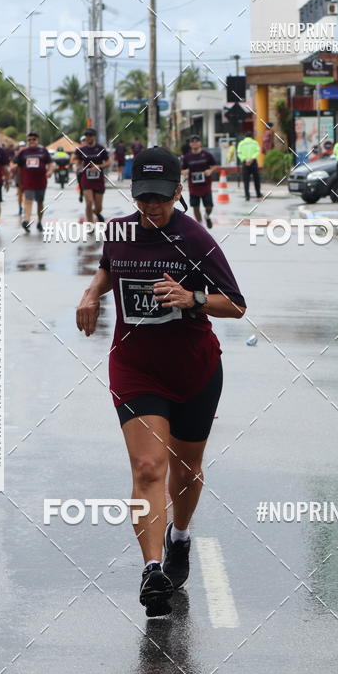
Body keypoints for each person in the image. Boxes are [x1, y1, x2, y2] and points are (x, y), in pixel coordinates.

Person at [75, 147, 246, 617]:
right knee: (149, 467)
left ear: (177, 192)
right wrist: (91, 292)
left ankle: (180, 538)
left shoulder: (194, 238)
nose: (152, 207)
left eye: (161, 198)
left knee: (185, 471)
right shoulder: (120, 230)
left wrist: (190, 297)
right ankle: (152, 570)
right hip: (135, 367)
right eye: (144, 197)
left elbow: (235, 304)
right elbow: (111, 267)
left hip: (193, 368)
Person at [16, 132, 52, 232]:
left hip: (41, 181)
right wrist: (19, 182)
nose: (31, 141)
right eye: (29, 140)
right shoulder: (23, 153)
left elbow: (50, 163)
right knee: (28, 201)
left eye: (34, 139)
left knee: (40, 202)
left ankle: (39, 221)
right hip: (28, 182)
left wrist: (49, 171)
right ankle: (26, 221)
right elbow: (19, 168)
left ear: (37, 140)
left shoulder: (43, 151)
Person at [181, 135, 218, 229]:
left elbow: (215, 166)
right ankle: (200, 225)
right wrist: (184, 172)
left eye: (196, 141)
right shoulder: (187, 157)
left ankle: (207, 215)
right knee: (195, 206)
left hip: (206, 185)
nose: (194, 143)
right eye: (192, 142)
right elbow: (182, 169)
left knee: (209, 206)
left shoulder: (206, 154)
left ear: (200, 143)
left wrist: (210, 171)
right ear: (190, 144)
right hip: (193, 186)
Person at [74, 128, 109, 223]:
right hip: (86, 179)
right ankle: (90, 225)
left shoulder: (101, 149)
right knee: (88, 203)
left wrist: (99, 166)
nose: (88, 137)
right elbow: (77, 161)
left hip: (98, 180)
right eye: (86, 136)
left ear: (94, 137)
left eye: (90, 135)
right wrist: (78, 166)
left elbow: (108, 162)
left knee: (99, 207)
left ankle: (97, 213)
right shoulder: (81, 150)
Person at [237, 133, 262, 201]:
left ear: (245, 136)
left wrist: (245, 160)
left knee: (246, 180)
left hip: (245, 163)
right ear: (251, 137)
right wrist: (252, 159)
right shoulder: (255, 142)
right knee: (256, 179)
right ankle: (258, 194)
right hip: (253, 163)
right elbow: (257, 151)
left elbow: (239, 153)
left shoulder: (241, 143)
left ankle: (247, 196)